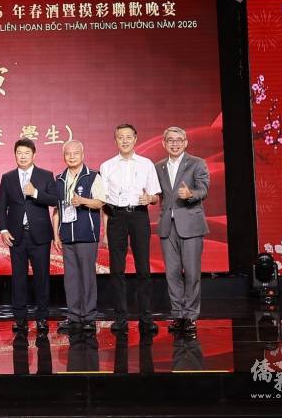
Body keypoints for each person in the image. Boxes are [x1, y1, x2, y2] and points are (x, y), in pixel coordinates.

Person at [99, 124, 161, 335]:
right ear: (115, 140)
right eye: (120, 137)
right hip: (115, 216)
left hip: (138, 215)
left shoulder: (146, 164)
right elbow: (103, 202)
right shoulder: (107, 166)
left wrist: (149, 198)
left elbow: (156, 196)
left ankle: (146, 317)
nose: (124, 141)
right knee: (117, 269)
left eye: (128, 137)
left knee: (143, 267)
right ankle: (120, 318)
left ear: (135, 139)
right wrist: (105, 231)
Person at [0, 138, 57, 334]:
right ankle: (20, 318)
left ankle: (42, 318)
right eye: (19, 153)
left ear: (34, 155)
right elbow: (1, 208)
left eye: (26, 153)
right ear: (15, 155)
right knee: (18, 278)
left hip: (40, 235)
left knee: (42, 278)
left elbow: (55, 200)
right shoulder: (8, 177)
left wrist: (36, 192)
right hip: (16, 235)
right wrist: (3, 230)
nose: (22, 156)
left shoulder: (45, 175)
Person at [154, 126, 210, 335]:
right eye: (170, 140)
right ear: (164, 143)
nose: (174, 144)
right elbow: (157, 193)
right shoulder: (158, 167)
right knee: (172, 274)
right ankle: (178, 314)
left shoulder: (197, 163)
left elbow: (203, 189)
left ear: (185, 143)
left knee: (192, 273)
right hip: (167, 226)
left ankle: (191, 316)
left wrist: (190, 194)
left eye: (179, 140)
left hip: (191, 225)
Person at [51, 140, 105, 333]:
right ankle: (74, 316)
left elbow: (101, 202)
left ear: (82, 155)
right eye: (68, 154)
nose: (72, 157)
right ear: (64, 156)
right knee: (71, 278)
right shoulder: (59, 179)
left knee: (87, 277)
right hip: (66, 235)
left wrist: (82, 201)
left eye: (75, 153)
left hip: (86, 234)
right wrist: (55, 235)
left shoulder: (93, 176)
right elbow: (56, 210)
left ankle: (89, 317)